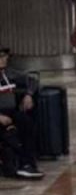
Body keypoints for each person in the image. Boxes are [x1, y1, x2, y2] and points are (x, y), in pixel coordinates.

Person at [0, 48, 44, 179]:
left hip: (10, 112)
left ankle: (27, 164)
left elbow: (32, 80)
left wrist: (28, 94)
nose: (4, 59)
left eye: (5, 56)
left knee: (26, 123)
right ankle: (14, 164)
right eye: (1, 57)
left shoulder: (9, 74)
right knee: (9, 134)